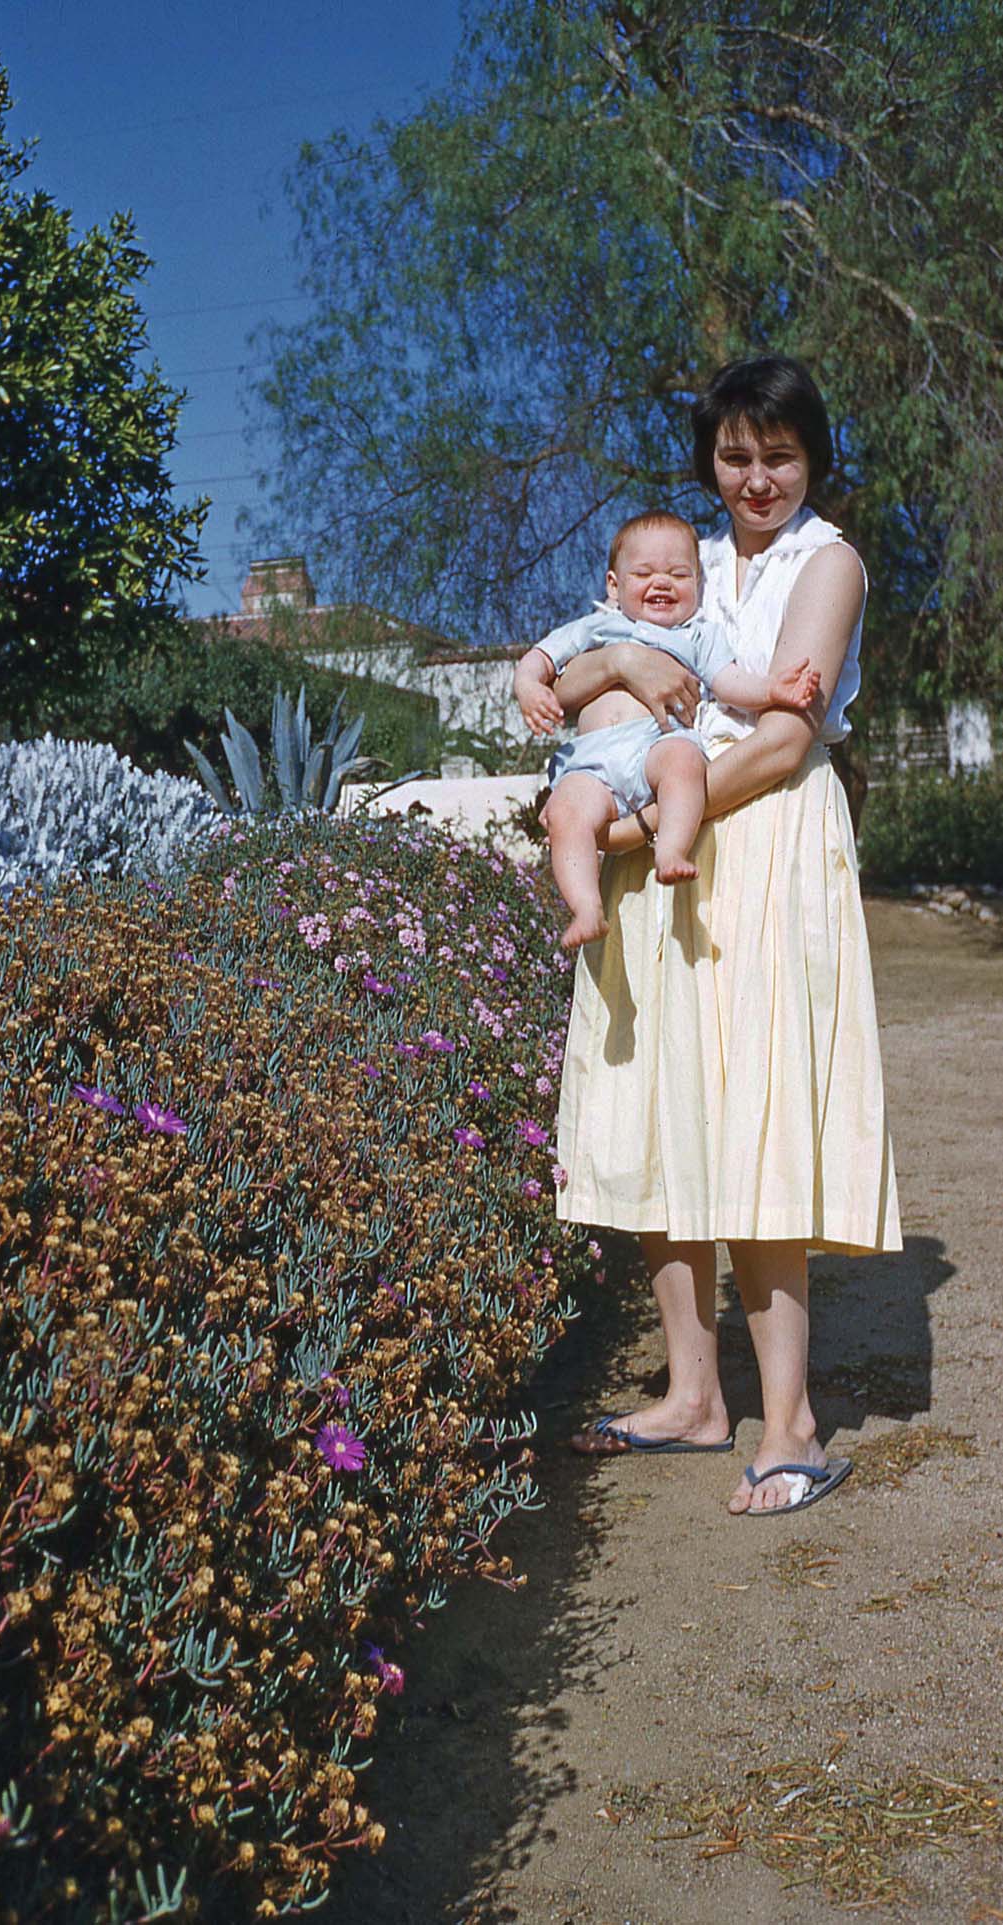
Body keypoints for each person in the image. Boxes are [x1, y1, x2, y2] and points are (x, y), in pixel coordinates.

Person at [548, 355, 902, 1515]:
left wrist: (639, 820)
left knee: (756, 1111)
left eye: (777, 456)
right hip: (672, 838)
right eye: (734, 455)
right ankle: (693, 1394)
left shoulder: (824, 561)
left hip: (758, 830)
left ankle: (788, 1422)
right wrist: (614, 662)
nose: (754, 479)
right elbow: (592, 668)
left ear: (812, 459)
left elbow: (784, 739)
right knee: (662, 1099)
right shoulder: (684, 563)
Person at [513, 510, 820, 949]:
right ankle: (586, 908)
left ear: (698, 583)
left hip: (656, 743)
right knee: (566, 813)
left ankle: (671, 849)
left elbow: (729, 683)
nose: (661, 583)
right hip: (592, 762)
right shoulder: (597, 627)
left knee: (684, 763)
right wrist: (527, 686)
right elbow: (540, 658)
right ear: (614, 585)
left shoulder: (700, 635)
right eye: (643, 574)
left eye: (678, 574)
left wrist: (773, 688)